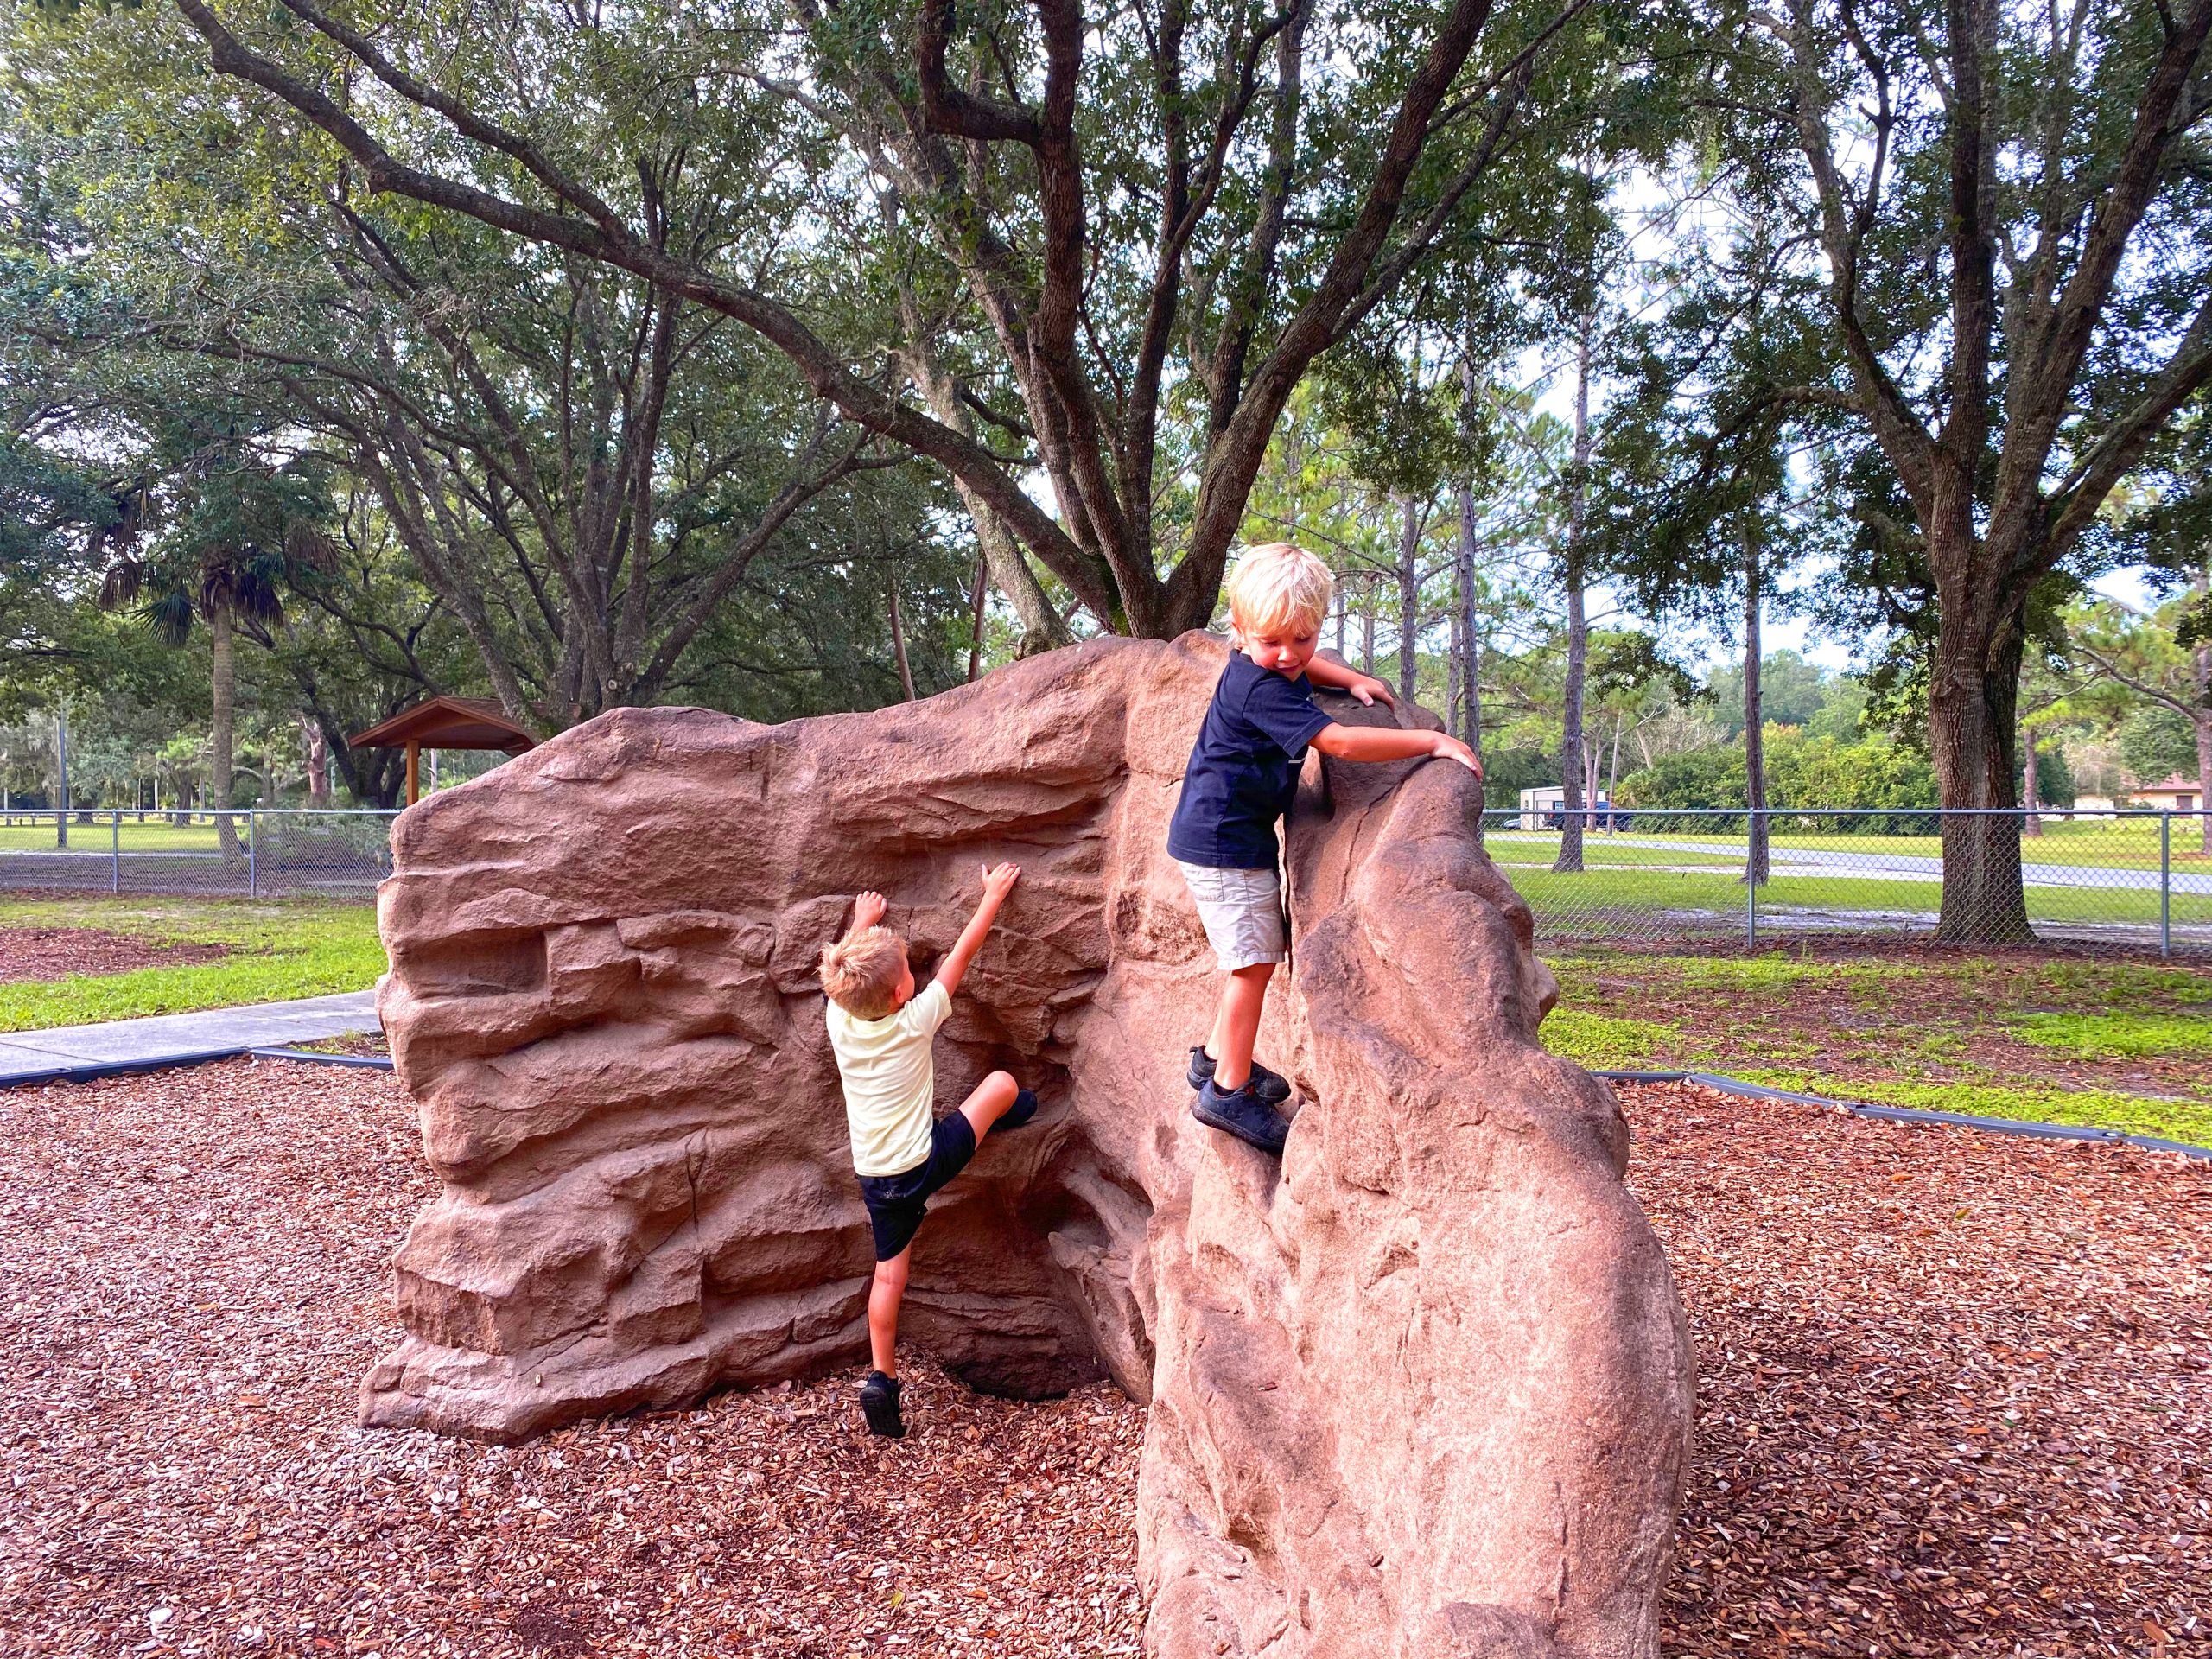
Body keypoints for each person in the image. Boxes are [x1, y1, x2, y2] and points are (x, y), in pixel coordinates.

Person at [1166, 542, 1482, 1155]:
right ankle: (1226, 1094)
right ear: (1240, 634)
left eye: (1303, 640)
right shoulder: (1258, 686)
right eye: (1273, 642)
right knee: (1253, 966)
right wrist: (1428, 743)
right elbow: (1337, 743)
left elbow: (1305, 671)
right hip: (1224, 844)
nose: (1289, 656)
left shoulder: (1268, 665)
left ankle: (1212, 1060)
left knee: (1250, 960)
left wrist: (1351, 678)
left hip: (1229, 835)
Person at [820, 865, 1038, 1438]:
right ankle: (1012, 1115)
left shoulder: (839, 1021)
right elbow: (961, 956)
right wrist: (990, 896)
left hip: (876, 1177)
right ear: (899, 993)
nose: (917, 976)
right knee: (1000, 1087)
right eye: (908, 973)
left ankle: (881, 1377)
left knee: (889, 1275)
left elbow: (841, 977)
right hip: (924, 1161)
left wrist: (862, 924)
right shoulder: (915, 1020)